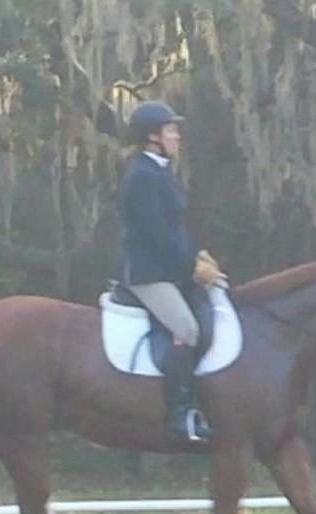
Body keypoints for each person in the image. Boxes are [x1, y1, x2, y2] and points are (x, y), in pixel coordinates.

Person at [118, 100, 226, 443]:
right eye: (170, 131)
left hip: (171, 270)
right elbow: (158, 235)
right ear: (153, 137)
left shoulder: (160, 171)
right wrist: (192, 267)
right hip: (150, 275)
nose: (177, 137)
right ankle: (181, 415)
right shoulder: (141, 176)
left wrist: (199, 256)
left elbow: (176, 229)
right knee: (188, 329)